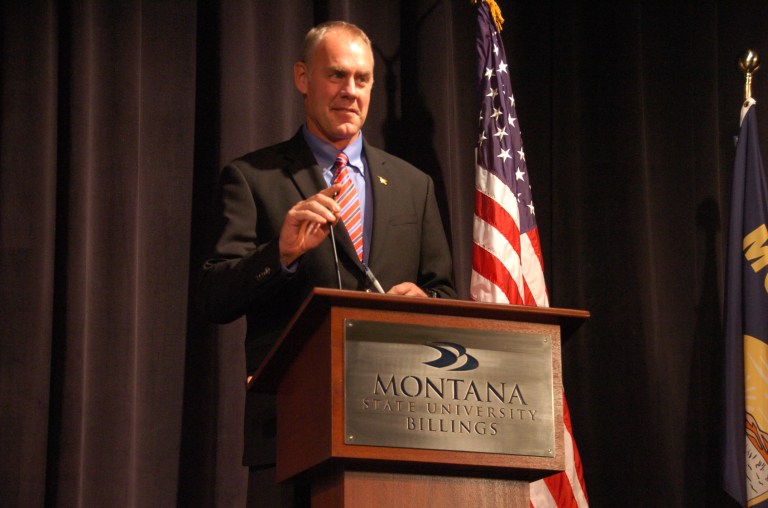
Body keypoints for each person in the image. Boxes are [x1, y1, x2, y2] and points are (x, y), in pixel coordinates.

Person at [199, 20, 457, 506]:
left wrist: (426, 303)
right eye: (337, 75)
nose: (350, 91)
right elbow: (215, 295)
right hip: (292, 431)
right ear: (302, 78)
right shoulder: (254, 178)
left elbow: (444, 293)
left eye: (362, 79)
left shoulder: (413, 185)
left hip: (398, 426)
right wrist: (281, 254)